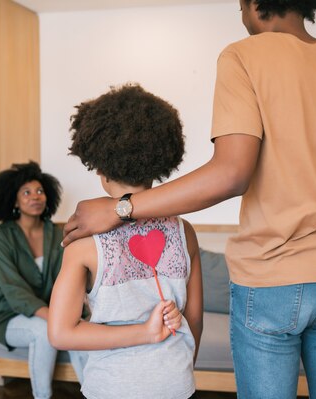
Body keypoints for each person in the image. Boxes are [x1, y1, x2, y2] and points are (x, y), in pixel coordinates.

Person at [60, 1, 316, 397]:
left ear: (255, 4)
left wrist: (120, 207)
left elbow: (231, 173)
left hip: (271, 276)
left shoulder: (243, 56)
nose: (241, 15)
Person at [47, 84, 203, 399]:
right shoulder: (184, 231)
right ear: (161, 159)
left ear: (100, 166)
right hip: (176, 381)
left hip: (113, 386)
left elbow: (61, 332)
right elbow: (195, 320)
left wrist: (144, 333)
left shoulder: (83, 243)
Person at [0, 161, 87, 399]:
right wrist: (56, 317)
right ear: (14, 200)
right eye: (27, 192)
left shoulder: (56, 234)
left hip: (55, 312)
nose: (35, 197)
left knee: (80, 329)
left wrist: (72, 312)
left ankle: (93, 394)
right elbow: (13, 290)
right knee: (44, 330)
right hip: (10, 316)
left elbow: (71, 275)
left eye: (40, 191)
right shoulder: (1, 238)